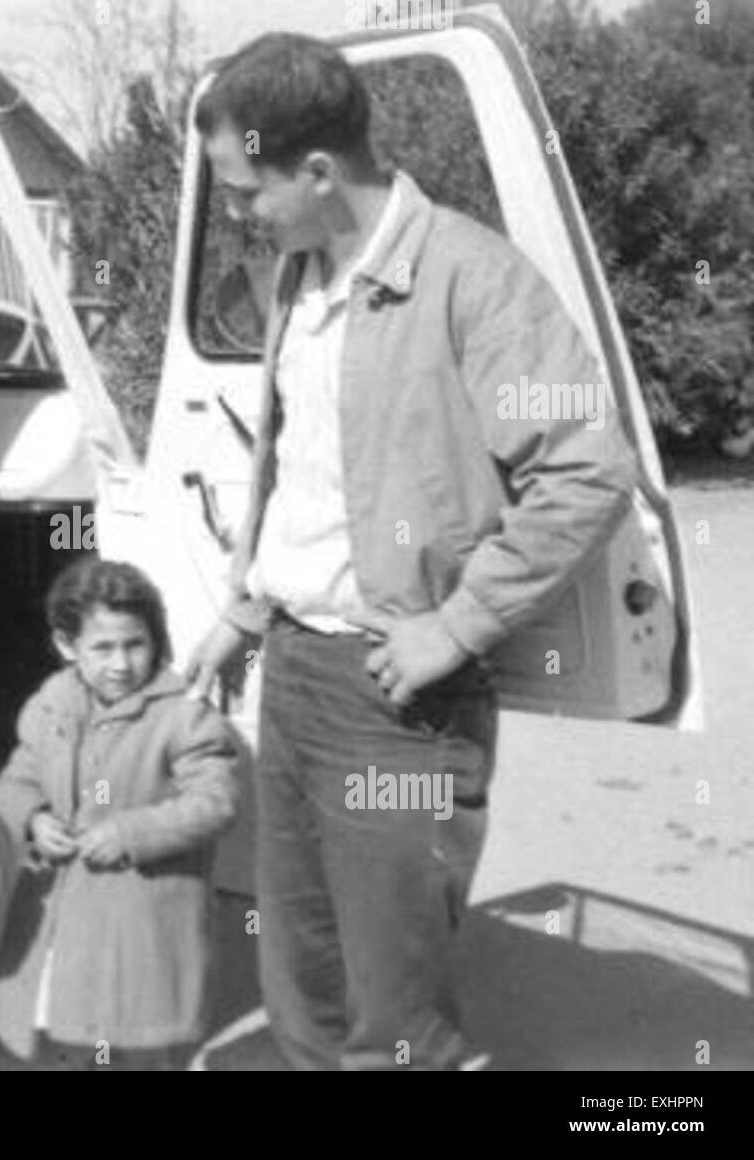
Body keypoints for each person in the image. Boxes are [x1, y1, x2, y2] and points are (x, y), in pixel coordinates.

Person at [185, 33, 639, 1070]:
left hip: (397, 703)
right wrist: (243, 609)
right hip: (291, 676)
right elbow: (299, 471)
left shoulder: (475, 283)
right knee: (300, 993)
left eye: (246, 191)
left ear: (315, 171)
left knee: (396, 1030)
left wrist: (458, 622)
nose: (238, 215)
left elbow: (585, 468)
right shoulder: (293, 282)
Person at [0, 559, 241, 1069]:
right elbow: (16, 780)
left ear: (157, 640)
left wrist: (131, 831)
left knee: (138, 1045)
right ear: (66, 646)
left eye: (135, 644)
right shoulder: (51, 704)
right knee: (64, 1037)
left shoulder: (184, 714)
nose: (121, 664)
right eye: (102, 648)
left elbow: (215, 802)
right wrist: (34, 818)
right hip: (63, 924)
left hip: (141, 926)